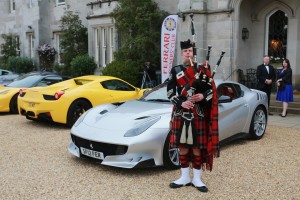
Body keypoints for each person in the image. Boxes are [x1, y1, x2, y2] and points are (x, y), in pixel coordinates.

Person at [167, 39, 219, 193]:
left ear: (193, 53)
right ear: (182, 53)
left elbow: (212, 90)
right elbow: (170, 92)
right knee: (182, 147)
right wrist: (180, 103)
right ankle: (184, 177)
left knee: (197, 147)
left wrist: (203, 96)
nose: (188, 53)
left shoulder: (202, 69)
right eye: (185, 51)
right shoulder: (176, 71)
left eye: (190, 51)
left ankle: (196, 178)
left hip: (198, 113)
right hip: (181, 113)